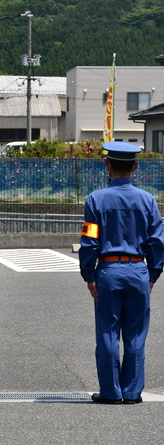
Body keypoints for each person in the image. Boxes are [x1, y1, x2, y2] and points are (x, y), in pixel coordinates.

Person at [79, 141, 164, 405]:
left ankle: (110, 392)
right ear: (135, 167)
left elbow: (89, 240)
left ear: (107, 166)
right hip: (138, 269)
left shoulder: (96, 199)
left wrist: (89, 275)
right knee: (136, 334)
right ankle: (131, 392)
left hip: (107, 270)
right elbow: (157, 241)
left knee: (107, 331)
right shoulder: (148, 200)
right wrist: (152, 273)